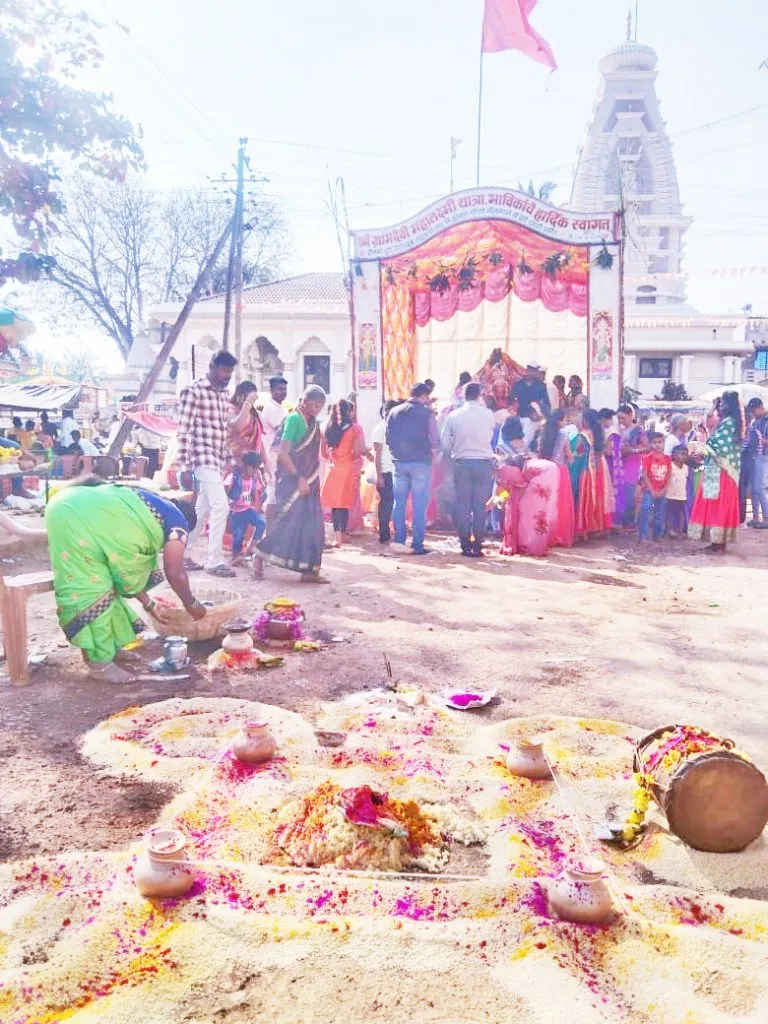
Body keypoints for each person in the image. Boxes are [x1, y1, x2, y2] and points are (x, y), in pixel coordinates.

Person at [45, 478, 204, 684]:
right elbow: (175, 572)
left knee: (108, 583)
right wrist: (192, 604)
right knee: (93, 589)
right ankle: (99, 664)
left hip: (68, 505)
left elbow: (123, 571)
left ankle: (109, 649)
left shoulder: (151, 505)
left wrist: (149, 604)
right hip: (72, 516)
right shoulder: (178, 523)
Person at [256, 385, 328, 582]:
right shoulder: (295, 420)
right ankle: (260, 555)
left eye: (320, 406)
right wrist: (299, 478)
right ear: (304, 401)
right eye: (314, 405)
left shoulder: (312, 423)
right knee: (288, 524)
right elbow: (283, 453)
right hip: (293, 481)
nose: (317, 409)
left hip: (309, 481)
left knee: (312, 527)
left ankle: (309, 571)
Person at [177, 350, 238, 578]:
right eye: (224, 370)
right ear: (212, 367)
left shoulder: (224, 395)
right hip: (201, 458)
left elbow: (222, 431)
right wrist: (183, 466)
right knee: (221, 505)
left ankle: (183, 555)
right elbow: (183, 431)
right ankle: (214, 561)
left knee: (201, 511)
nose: (227, 375)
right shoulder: (193, 391)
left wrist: (230, 460)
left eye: (230, 371)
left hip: (217, 459)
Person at [440, 382, 495, 557]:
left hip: (461, 463)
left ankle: (465, 545)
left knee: (463, 505)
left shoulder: (453, 416)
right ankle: (477, 545)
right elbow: (490, 436)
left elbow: (445, 444)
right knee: (480, 506)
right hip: (483, 463)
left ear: (463, 395)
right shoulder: (488, 414)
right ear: (480, 395)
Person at [386, 382, 438, 555]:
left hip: (399, 462)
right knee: (419, 505)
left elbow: (388, 437)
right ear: (423, 396)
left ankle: (399, 540)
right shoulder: (427, 413)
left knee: (398, 503)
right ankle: (417, 544)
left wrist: (397, 453)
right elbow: (435, 440)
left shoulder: (394, 412)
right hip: (421, 463)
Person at [688, 390, 743, 552]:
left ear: (730, 405)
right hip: (717, 469)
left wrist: (703, 449)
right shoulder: (728, 421)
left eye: (723, 403)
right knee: (714, 504)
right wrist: (713, 406)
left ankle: (718, 543)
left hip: (723, 471)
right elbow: (710, 429)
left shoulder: (730, 423)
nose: (721, 406)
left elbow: (719, 447)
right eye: (720, 403)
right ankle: (717, 542)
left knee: (719, 505)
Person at [321, 398, 368, 547]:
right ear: (349, 411)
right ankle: (342, 535)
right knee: (345, 503)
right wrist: (365, 453)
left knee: (336, 504)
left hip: (332, 469)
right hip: (347, 468)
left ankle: (337, 537)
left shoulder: (326, 427)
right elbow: (360, 449)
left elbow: (323, 452)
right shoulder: (355, 428)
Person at [570, 408, 612, 539]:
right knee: (598, 496)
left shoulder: (583, 435)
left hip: (587, 469)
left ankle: (585, 528)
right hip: (600, 467)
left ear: (585, 421)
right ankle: (598, 526)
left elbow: (577, 452)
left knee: (586, 497)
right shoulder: (598, 433)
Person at [538, 409, 575, 548]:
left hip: (547, 470)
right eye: (565, 419)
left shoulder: (544, 434)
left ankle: (546, 534)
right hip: (561, 472)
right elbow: (570, 458)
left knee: (548, 503)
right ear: (560, 421)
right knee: (561, 504)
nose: (566, 422)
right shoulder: (563, 435)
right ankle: (560, 535)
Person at [225, 450, 266, 565]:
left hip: (247, 510)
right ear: (245, 465)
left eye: (256, 468)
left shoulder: (254, 479)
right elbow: (226, 489)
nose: (255, 471)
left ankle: (250, 549)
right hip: (235, 512)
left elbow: (255, 492)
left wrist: (258, 506)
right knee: (238, 536)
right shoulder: (234, 477)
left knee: (261, 522)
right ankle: (236, 557)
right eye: (253, 468)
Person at [616, 403, 648, 531]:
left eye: (623, 418)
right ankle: (623, 522)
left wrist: (633, 451)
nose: (621, 421)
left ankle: (630, 523)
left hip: (632, 464)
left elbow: (647, 447)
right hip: (620, 463)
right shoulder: (620, 430)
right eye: (619, 418)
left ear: (631, 416)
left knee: (629, 493)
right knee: (621, 493)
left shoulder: (638, 430)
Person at [261, 375, 288, 522]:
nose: (283, 392)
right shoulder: (270, 408)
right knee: (272, 490)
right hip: (271, 455)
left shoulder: (279, 408)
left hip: (278, 455)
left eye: (284, 389)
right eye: (279, 389)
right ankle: (270, 528)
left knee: (277, 490)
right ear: (272, 390)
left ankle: (275, 526)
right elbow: (283, 430)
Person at [371, 400, 399, 544]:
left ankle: (390, 531)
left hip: (395, 470)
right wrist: (379, 475)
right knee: (386, 503)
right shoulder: (380, 429)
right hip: (385, 471)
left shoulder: (395, 427)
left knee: (392, 502)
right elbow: (377, 455)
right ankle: (384, 533)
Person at [638, 432, 671, 542]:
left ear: (664, 443)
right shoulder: (648, 458)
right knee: (645, 511)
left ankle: (657, 535)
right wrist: (651, 490)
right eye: (655, 442)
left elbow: (669, 474)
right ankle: (643, 536)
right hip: (649, 490)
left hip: (662, 490)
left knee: (660, 514)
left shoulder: (667, 459)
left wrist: (665, 489)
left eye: (660, 442)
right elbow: (645, 474)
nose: (657, 445)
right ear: (651, 444)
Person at [229, 380, 267, 466]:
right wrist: (247, 403)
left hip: (252, 463)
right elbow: (238, 426)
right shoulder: (230, 409)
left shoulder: (253, 413)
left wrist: (266, 462)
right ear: (238, 395)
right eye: (247, 397)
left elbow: (259, 439)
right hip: (234, 462)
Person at [745, 398, 768, 528]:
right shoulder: (755, 422)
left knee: (760, 488)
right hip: (753, 456)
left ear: (760, 407)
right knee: (753, 489)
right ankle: (755, 517)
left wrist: (760, 440)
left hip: (764, 456)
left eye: (754, 411)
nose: (753, 414)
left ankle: (766, 518)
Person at [511, 363, 551, 433]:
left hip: (535, 419)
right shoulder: (518, 385)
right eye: (533, 371)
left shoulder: (541, 386)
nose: (535, 373)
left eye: (536, 371)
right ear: (528, 370)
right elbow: (511, 400)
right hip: (520, 417)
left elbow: (546, 403)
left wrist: (543, 414)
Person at [667, 445, 690, 538]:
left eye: (686, 455)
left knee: (681, 513)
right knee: (670, 513)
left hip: (681, 495)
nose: (685, 456)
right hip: (670, 495)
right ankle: (669, 531)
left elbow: (686, 480)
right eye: (682, 454)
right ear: (675, 455)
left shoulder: (686, 468)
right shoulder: (670, 466)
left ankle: (680, 532)